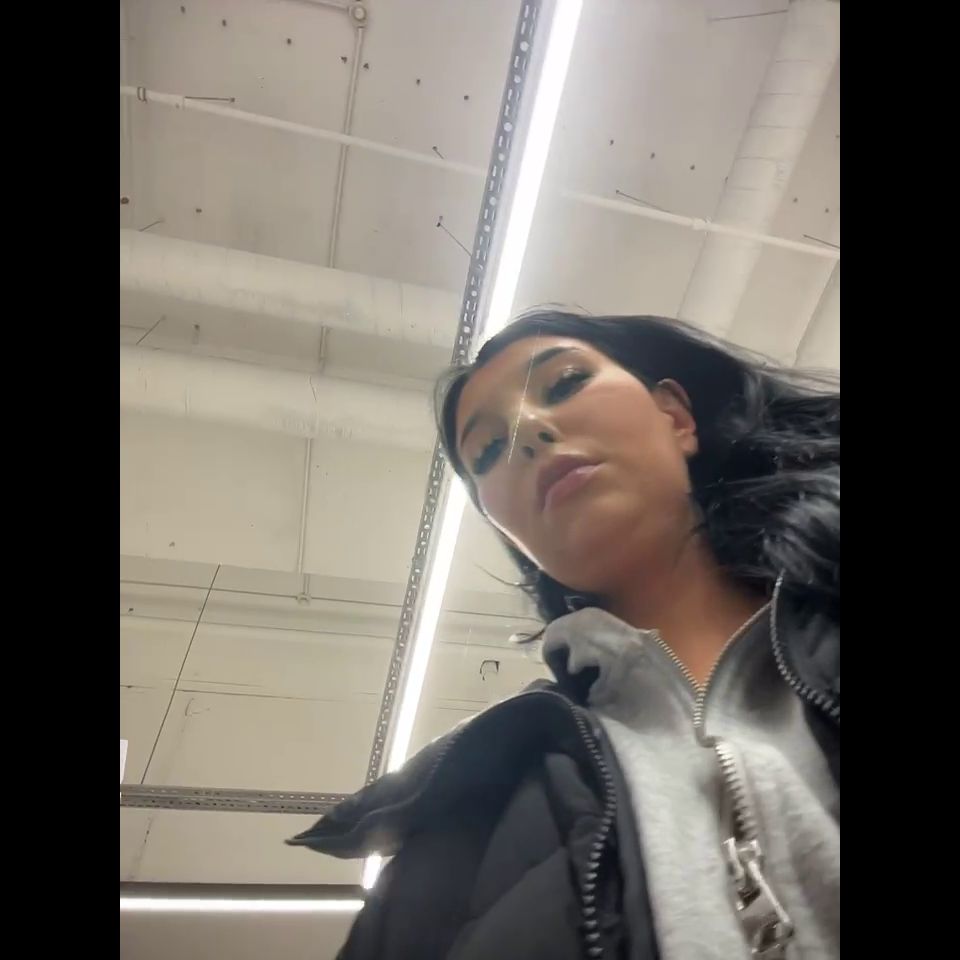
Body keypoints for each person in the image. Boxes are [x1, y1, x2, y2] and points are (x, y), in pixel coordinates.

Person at [288, 311, 840, 960]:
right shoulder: (464, 823)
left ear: (676, 417)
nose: (527, 432)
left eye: (565, 383)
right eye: (487, 451)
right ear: (508, 529)